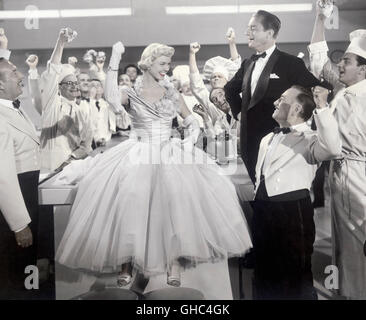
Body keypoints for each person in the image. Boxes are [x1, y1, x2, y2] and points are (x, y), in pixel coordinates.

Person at [54, 41, 252, 294]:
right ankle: (127, 263)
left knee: (174, 202)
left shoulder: (171, 92)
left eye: (168, 64)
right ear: (148, 63)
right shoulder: (132, 92)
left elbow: (192, 122)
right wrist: (115, 57)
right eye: (162, 63)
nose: (166, 68)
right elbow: (111, 97)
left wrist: (186, 142)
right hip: (138, 149)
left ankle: (173, 260)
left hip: (169, 149)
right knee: (130, 199)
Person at [252, 85, 341, 299]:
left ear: (296, 108)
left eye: (282, 99)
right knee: (265, 272)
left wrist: (321, 108)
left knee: (295, 274)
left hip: (292, 213)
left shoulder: (310, 138)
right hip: (263, 210)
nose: (275, 102)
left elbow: (332, 149)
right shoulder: (267, 138)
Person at [308, 0, 366, 299]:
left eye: (346, 61)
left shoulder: (359, 96)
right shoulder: (345, 90)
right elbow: (319, 61)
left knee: (357, 241)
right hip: (341, 173)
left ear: (363, 68)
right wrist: (319, 18)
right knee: (343, 241)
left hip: (358, 175)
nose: (339, 64)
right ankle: (347, 291)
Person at [224, 10, 320, 183]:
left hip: (281, 141)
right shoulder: (248, 63)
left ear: (269, 33)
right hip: (249, 139)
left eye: (253, 28)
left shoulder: (291, 63)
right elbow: (230, 89)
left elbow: (316, 90)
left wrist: (299, 122)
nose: (247, 33)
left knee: (277, 190)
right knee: (256, 189)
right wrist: (239, 113)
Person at [0, 29, 39, 299]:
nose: (20, 74)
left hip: (28, 193)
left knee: (28, 271)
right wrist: (19, 224)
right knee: (16, 276)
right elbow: (2, 173)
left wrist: (4, 46)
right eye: (14, 73)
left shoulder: (13, 107)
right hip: (16, 203)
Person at [39, 28, 93, 172]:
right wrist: (61, 42)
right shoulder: (53, 106)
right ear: (59, 87)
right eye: (69, 83)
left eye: (75, 83)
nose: (74, 86)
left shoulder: (82, 112)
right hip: (49, 170)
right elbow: (52, 72)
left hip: (72, 169)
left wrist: (71, 160)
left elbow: (86, 144)